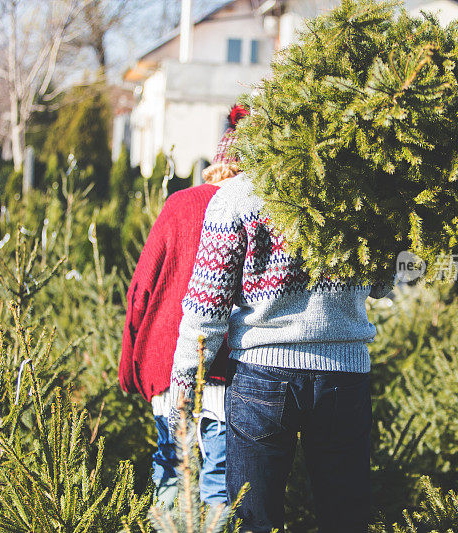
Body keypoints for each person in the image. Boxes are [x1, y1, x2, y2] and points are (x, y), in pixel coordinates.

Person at [168, 137, 392, 530]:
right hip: (345, 373)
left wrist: (185, 385)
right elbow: (382, 282)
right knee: (345, 519)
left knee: (255, 519)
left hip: (261, 376)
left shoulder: (237, 195)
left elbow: (208, 307)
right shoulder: (360, 189)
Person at [119, 104, 249, 507]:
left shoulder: (180, 205)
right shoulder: (257, 211)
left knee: (170, 474)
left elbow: (140, 290)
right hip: (227, 374)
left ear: (217, 164)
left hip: (167, 363)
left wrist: (130, 365)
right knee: (217, 485)